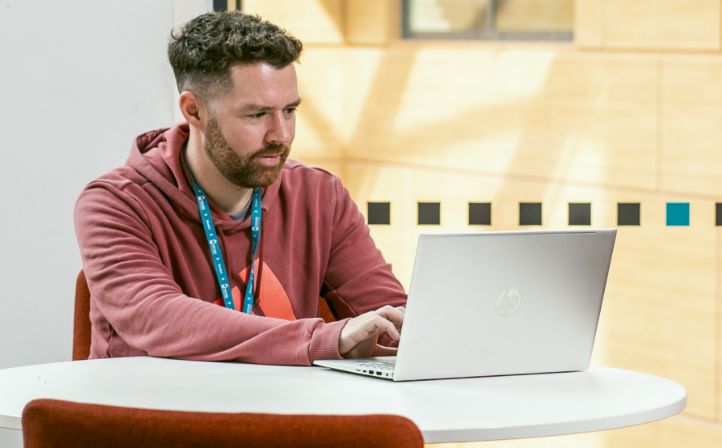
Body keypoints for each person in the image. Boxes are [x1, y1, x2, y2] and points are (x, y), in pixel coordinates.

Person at [74, 11, 406, 366]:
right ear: (194, 110)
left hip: (286, 412)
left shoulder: (320, 196)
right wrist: (323, 340)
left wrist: (424, 335)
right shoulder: (115, 203)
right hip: (154, 413)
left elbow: (391, 318)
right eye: (256, 115)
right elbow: (156, 317)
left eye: (290, 110)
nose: (281, 135)